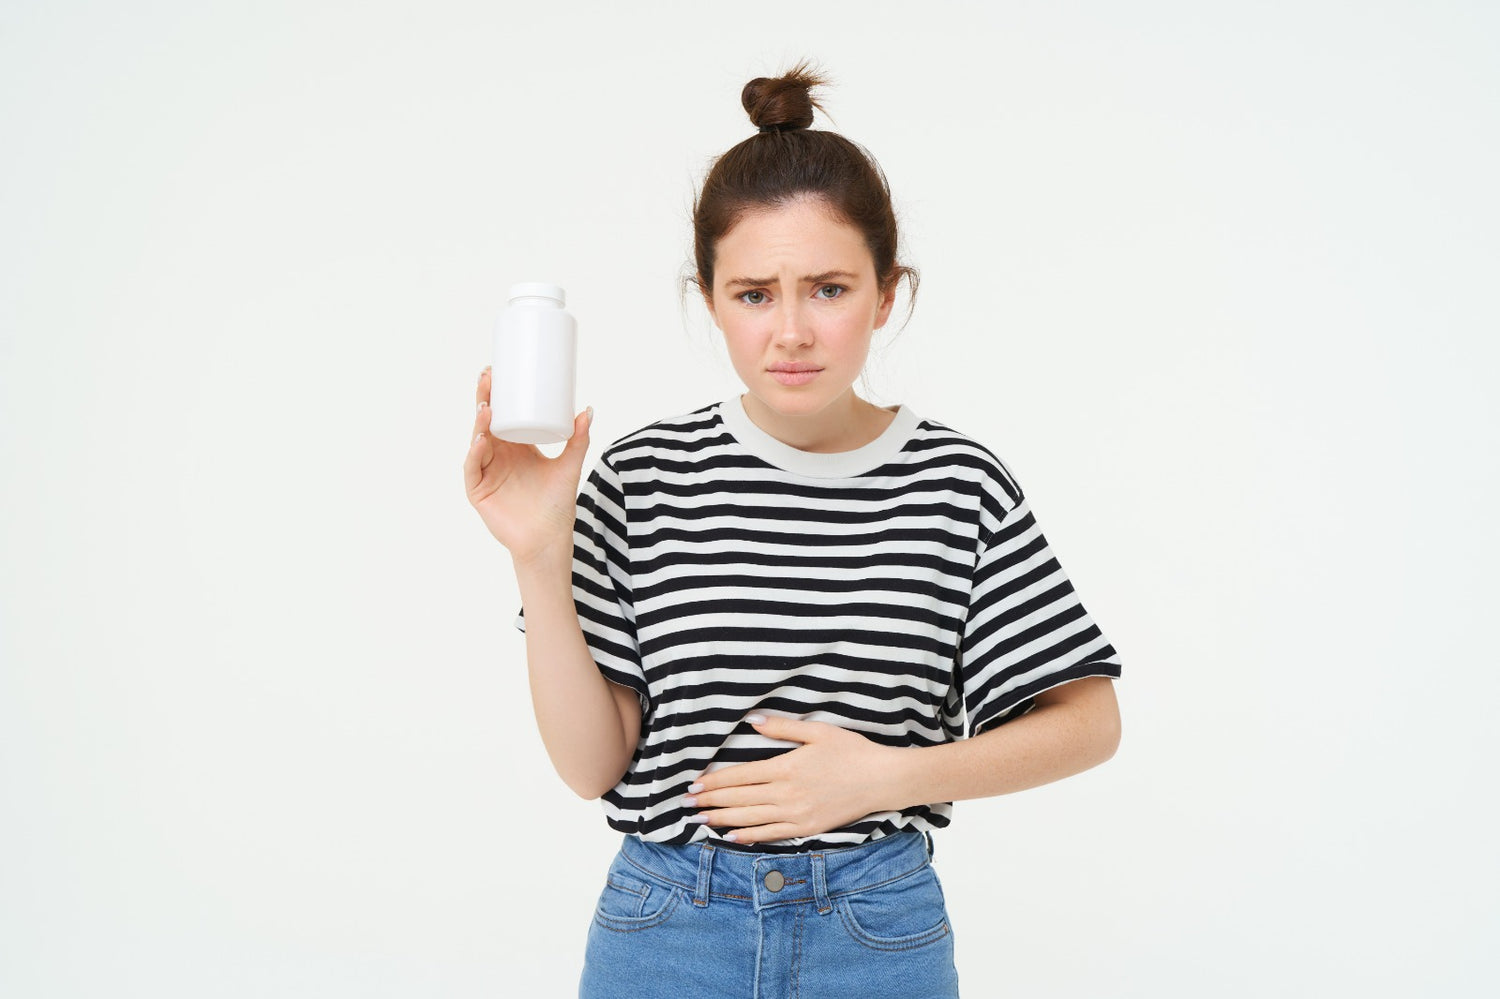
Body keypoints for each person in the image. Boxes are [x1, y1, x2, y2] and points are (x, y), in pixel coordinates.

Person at [463, 62, 1123, 999]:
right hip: (667, 930)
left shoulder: (957, 485)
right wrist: (538, 553)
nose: (792, 332)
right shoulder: (641, 477)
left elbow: (1089, 722)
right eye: (754, 294)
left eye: (828, 288)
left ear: (886, 293)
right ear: (710, 299)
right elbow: (591, 765)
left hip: (875, 927)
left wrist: (882, 778)